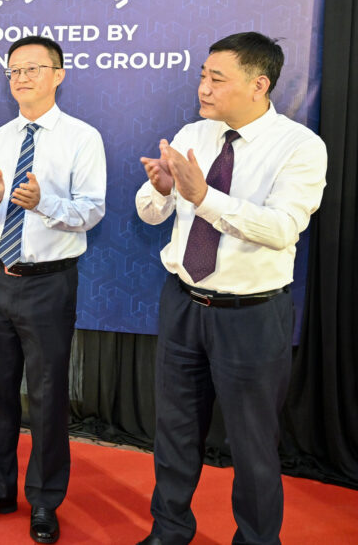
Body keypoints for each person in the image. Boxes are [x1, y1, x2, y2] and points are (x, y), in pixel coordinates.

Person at [134, 32, 327, 545]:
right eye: (203, 75)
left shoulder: (300, 147)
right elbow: (151, 214)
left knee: (253, 443)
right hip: (183, 303)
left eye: (217, 79)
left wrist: (204, 197)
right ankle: (169, 530)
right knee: (174, 431)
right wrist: (162, 191)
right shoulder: (193, 134)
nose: (203, 87)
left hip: (251, 315)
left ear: (259, 84)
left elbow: (282, 228)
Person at [0, 35, 106, 542]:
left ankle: (44, 500)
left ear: (59, 75)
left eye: (33, 69)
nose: (21, 78)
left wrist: (43, 203)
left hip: (49, 283)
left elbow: (92, 211)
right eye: (14, 71)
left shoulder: (82, 138)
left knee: (46, 397)